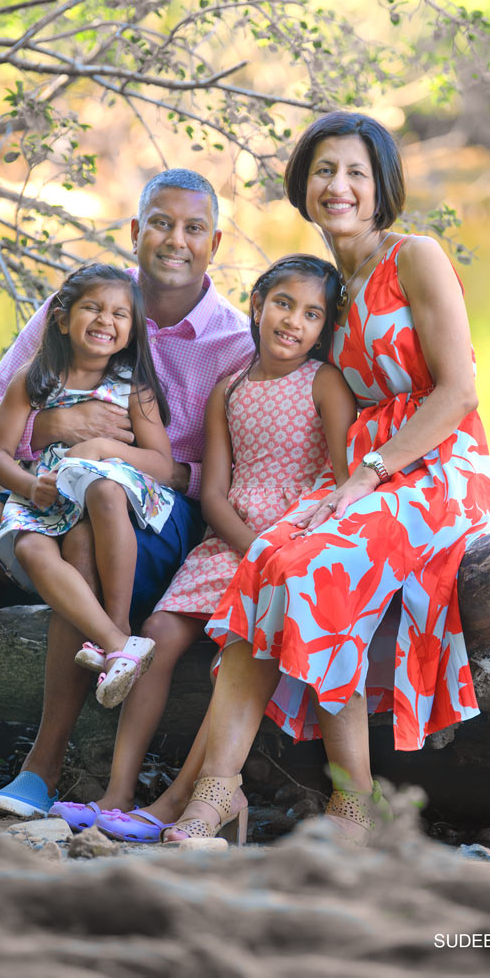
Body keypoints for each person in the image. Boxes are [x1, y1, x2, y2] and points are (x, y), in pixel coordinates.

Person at [161, 111, 490, 846]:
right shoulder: (330, 289)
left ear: (382, 186)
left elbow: (459, 392)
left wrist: (372, 471)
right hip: (361, 469)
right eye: (323, 170)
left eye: (354, 172)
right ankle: (215, 796)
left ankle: (354, 801)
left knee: (315, 569)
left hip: (435, 465)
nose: (337, 185)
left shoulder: (417, 255)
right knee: (266, 563)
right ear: (303, 185)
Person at [0, 169, 253, 818]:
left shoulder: (234, 342)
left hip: (154, 521)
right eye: (161, 224)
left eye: (193, 228)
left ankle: (42, 766)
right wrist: (49, 426)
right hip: (50, 489)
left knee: (82, 529)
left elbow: (235, 475)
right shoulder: (84, 302)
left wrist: (126, 459)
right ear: (136, 230)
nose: (175, 240)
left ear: (215, 241)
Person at [74, 253, 356, 840]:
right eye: (283, 304)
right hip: (232, 541)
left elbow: (341, 474)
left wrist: (277, 550)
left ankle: (185, 800)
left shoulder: (324, 382)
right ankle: (119, 791)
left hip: (292, 542)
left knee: (235, 652)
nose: (293, 323)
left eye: (311, 314)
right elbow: (216, 493)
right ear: (256, 306)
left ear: (324, 327)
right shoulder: (227, 390)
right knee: (158, 633)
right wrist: (248, 546)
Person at [0, 263, 174, 709]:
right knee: (30, 549)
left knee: (104, 492)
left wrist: (104, 446)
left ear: (132, 330)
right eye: (92, 308)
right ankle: (119, 644)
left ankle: (116, 623)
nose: (105, 320)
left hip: (108, 489)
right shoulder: (33, 380)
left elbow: (162, 467)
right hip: (49, 494)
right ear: (61, 318)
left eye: (120, 314)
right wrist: (30, 487)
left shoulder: (134, 387)